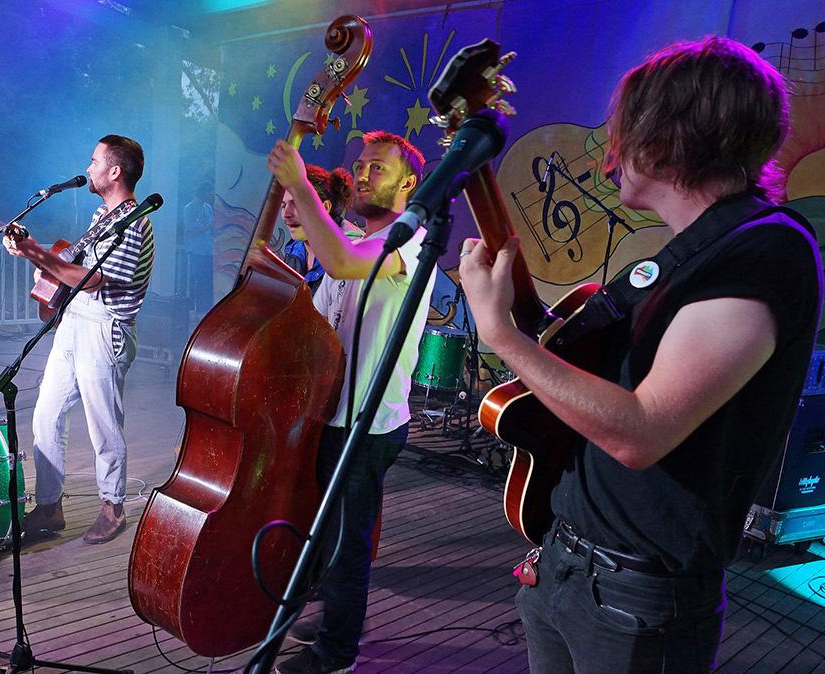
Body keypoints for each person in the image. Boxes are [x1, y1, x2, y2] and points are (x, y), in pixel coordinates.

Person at [459, 37, 823, 674]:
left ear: (670, 136)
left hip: (638, 596)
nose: (611, 157)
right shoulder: (687, 255)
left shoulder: (766, 252)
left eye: (622, 133)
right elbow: (582, 367)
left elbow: (641, 431)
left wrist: (502, 336)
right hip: (566, 561)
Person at [266, 130, 433, 674]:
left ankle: (337, 653)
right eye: (360, 166)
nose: (362, 175)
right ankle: (342, 614)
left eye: (377, 168)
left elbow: (338, 262)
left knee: (349, 540)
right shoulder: (365, 240)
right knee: (331, 532)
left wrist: (297, 184)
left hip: (370, 421)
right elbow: (322, 313)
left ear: (409, 183)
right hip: (335, 413)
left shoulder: (409, 244)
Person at [4, 134, 154, 544]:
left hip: (105, 327)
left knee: (103, 423)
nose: (88, 168)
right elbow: (76, 265)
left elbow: (90, 281)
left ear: (114, 171)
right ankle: (50, 506)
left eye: (94, 161)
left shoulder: (135, 223)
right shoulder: (101, 217)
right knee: (46, 413)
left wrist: (35, 253)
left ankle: (113, 506)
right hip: (74, 321)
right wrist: (39, 262)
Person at [279, 164, 362, 295]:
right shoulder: (294, 249)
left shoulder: (352, 253)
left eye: (296, 203)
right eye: (283, 206)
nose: (286, 214)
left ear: (325, 207)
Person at [183, 180, 215, 312]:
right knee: (197, 281)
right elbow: (189, 231)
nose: (211, 195)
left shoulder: (208, 207)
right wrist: (207, 227)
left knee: (207, 281)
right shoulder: (189, 208)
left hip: (209, 250)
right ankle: (196, 310)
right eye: (209, 192)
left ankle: (207, 309)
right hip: (196, 251)